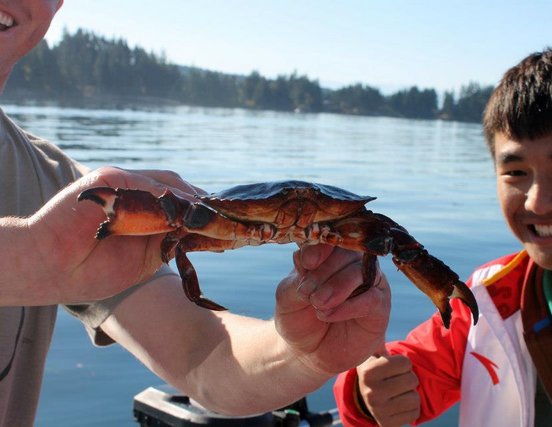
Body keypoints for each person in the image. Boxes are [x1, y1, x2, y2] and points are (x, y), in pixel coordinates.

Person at [0, 1, 391, 425]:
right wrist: (23, 260)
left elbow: (203, 359)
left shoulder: (61, 191)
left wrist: (301, 354)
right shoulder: (63, 213)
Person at [333, 46, 552, 427]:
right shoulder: (489, 300)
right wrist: (368, 394)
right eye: (515, 173)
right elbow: (403, 378)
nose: (539, 202)